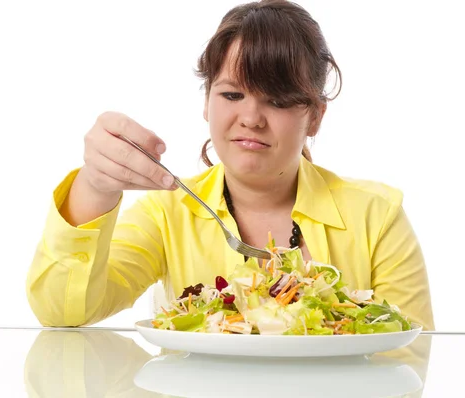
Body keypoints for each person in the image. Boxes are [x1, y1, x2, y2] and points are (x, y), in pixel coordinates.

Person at [26, 0, 435, 330]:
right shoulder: (167, 213)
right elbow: (63, 314)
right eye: (232, 95)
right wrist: (95, 187)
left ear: (314, 116)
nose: (252, 119)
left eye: (277, 100)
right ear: (206, 102)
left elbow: (411, 355)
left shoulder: (377, 215)